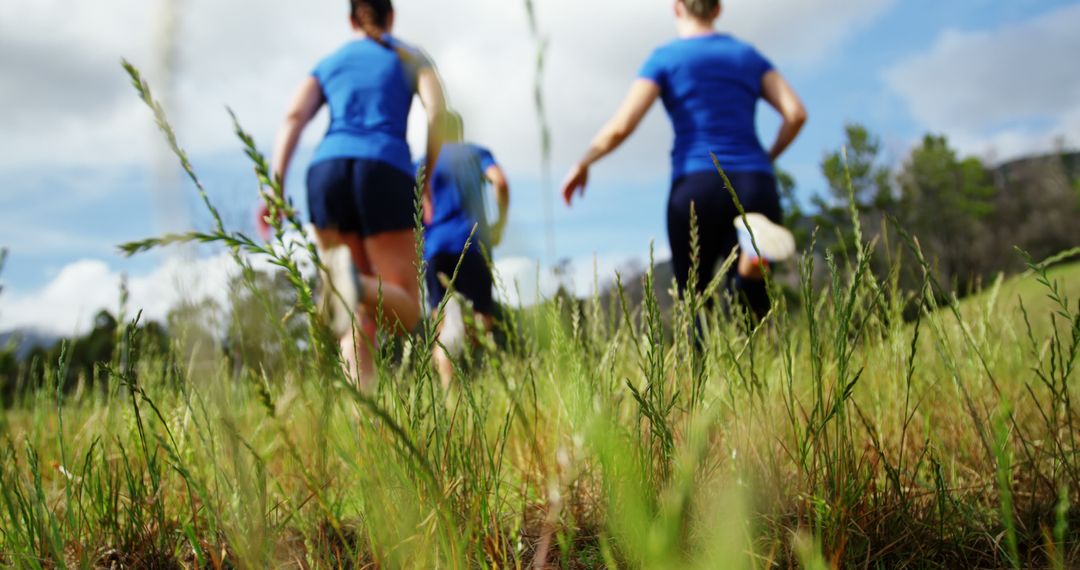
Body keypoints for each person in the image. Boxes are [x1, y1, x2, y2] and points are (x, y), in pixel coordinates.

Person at [560, 0, 807, 319]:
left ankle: (701, 357)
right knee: (750, 298)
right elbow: (796, 113)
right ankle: (749, 270)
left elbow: (622, 126)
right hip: (753, 181)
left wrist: (584, 162)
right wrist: (768, 157)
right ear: (718, 10)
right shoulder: (747, 56)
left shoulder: (665, 59)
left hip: (697, 182)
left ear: (677, 8)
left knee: (694, 297)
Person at [268, 0, 447, 389]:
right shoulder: (412, 57)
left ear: (351, 18)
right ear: (391, 16)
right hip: (383, 170)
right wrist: (427, 179)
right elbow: (437, 115)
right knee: (406, 310)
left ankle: (363, 418)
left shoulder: (331, 62)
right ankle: (352, 280)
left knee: (354, 311)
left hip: (326, 172)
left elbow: (293, 117)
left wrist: (274, 187)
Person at [420, 111, 510, 388]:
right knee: (483, 318)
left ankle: (449, 394)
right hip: (473, 242)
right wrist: (499, 225)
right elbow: (501, 183)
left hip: (435, 247)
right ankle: (462, 336)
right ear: (460, 130)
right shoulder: (476, 153)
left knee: (442, 328)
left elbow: (412, 205)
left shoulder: (423, 163)